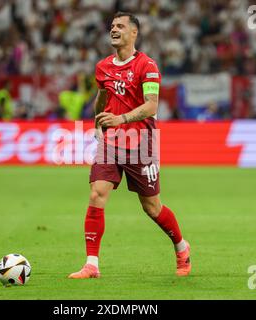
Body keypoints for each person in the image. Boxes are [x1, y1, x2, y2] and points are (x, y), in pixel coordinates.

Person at [68, 12, 191, 279]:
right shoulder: (103, 67)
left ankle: (182, 248)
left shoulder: (147, 66)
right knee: (97, 194)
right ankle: (92, 264)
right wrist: (99, 122)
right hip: (112, 140)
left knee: (151, 207)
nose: (114, 29)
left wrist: (120, 118)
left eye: (120, 26)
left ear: (134, 33)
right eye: (112, 26)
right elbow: (102, 97)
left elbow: (151, 105)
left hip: (141, 142)